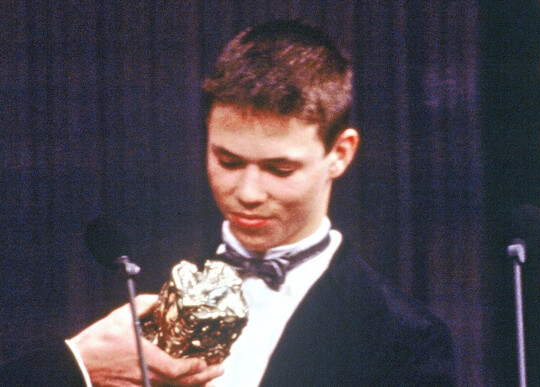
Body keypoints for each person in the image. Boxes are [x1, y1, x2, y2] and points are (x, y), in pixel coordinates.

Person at [0, 20, 455, 386]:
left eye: (280, 169)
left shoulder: (404, 339)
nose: (248, 193)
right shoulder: (134, 291)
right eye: (228, 160)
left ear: (341, 153)